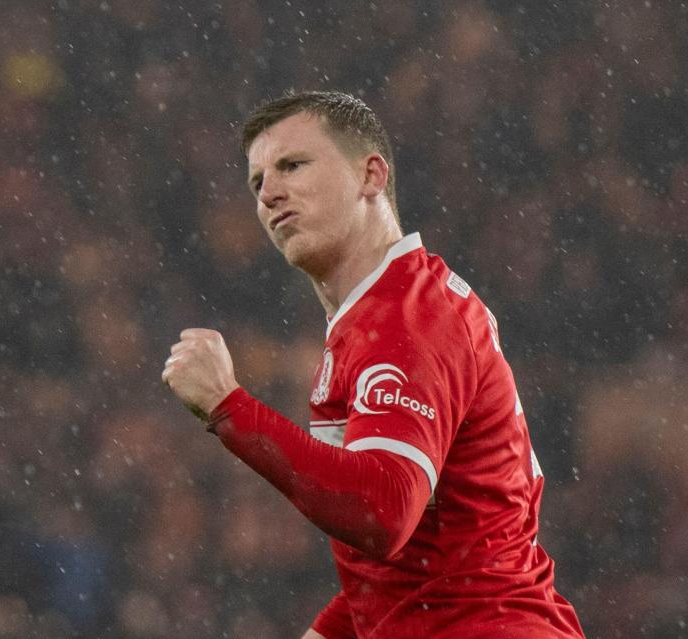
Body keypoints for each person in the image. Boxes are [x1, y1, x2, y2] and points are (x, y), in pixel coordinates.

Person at [161, 91, 586, 638]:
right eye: (257, 181)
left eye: (293, 165)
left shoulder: (407, 318)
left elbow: (383, 511)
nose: (269, 193)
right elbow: (420, 560)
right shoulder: (382, 314)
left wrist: (229, 406)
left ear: (371, 175)